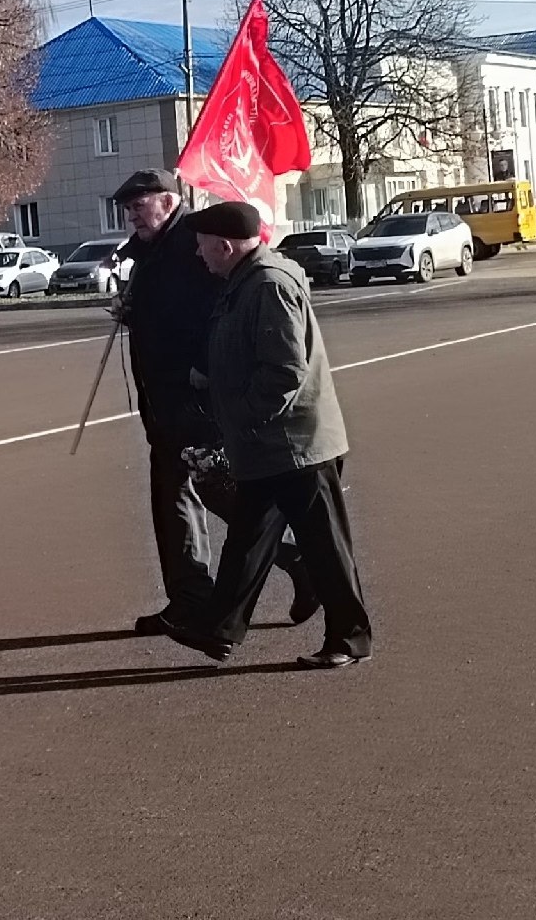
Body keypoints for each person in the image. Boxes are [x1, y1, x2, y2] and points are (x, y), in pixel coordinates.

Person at [112, 170, 316, 638]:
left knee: (217, 492)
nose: (131, 216)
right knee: (175, 496)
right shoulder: (154, 251)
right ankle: (189, 599)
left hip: (193, 400)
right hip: (163, 400)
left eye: (138, 205)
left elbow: (218, 314)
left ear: (166, 202)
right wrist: (133, 310)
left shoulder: (190, 247)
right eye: (127, 208)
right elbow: (169, 312)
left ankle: (297, 560)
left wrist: (203, 371)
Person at [170, 201, 374, 670]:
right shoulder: (244, 282)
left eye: (202, 247)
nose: (199, 256)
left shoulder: (267, 286)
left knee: (325, 546)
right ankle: (218, 628)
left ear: (225, 246)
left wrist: (236, 418)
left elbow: (283, 374)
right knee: (247, 539)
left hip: (296, 443)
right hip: (271, 443)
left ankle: (351, 636)